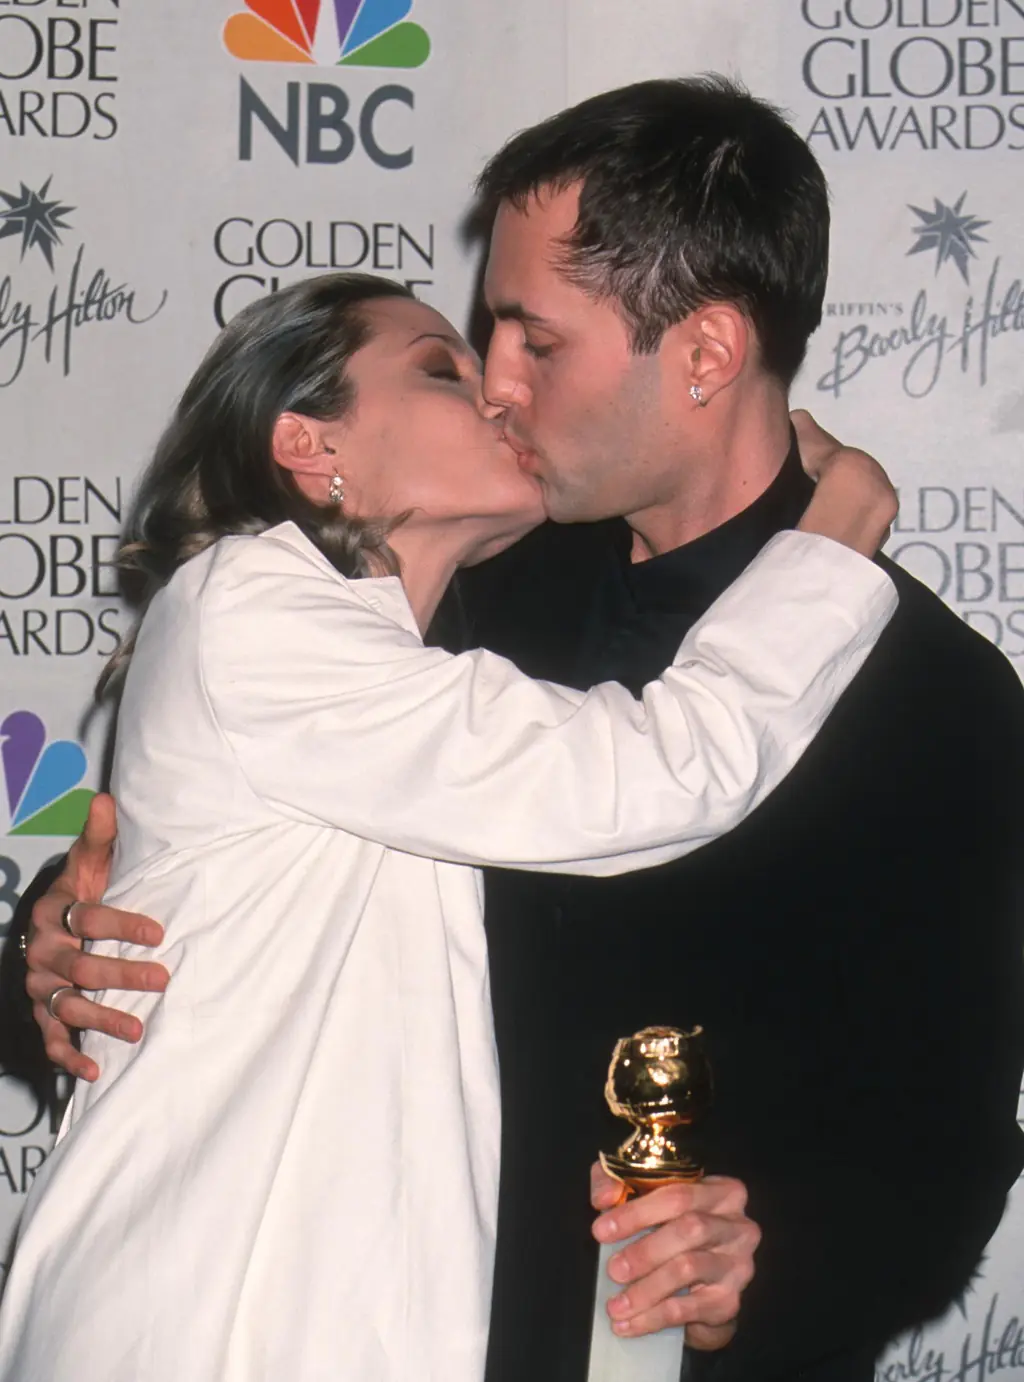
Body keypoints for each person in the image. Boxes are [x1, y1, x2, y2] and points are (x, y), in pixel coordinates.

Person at [24, 75, 1024, 1382]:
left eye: (533, 341)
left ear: (707, 353)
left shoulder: (936, 698)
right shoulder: (432, 588)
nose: (498, 383)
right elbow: (249, 861)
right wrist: (71, 945)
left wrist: (771, 1253)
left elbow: (947, 1144)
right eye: (480, 337)